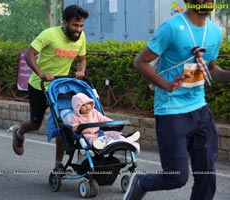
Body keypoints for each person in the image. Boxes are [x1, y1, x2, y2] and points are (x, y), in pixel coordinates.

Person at [124, 0, 230, 200]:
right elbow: (140, 62)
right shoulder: (172, 28)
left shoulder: (215, 32)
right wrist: (166, 84)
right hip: (171, 111)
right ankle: (141, 182)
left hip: (200, 110)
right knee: (176, 177)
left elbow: (212, 69)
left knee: (207, 176)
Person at [11, 4, 89, 171]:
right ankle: (18, 132)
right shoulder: (49, 34)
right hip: (39, 86)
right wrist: (40, 73)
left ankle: (58, 165)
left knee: (64, 123)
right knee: (35, 123)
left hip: (60, 87)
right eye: (75, 25)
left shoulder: (81, 38)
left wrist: (80, 71)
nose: (78, 29)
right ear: (65, 22)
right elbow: (28, 54)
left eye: (81, 26)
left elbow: (82, 59)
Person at [70, 93, 140, 150]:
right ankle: (98, 144)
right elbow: (74, 127)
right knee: (91, 139)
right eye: (83, 105)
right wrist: (76, 127)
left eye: (88, 104)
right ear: (77, 108)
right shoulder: (75, 117)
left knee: (113, 133)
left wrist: (111, 123)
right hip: (87, 135)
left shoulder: (94, 112)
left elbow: (103, 119)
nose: (87, 107)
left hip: (99, 133)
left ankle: (125, 138)